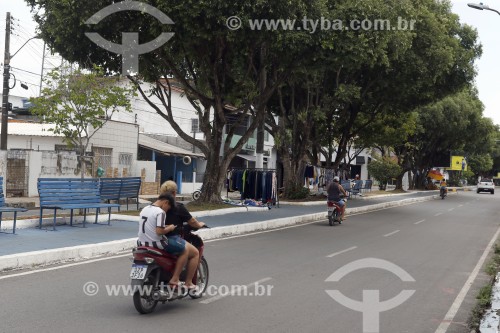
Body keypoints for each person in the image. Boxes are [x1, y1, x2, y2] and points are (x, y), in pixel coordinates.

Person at [136, 193, 190, 289]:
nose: (167, 210)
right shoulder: (160, 212)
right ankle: (175, 278)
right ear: (166, 202)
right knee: (185, 250)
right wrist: (170, 228)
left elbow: (151, 225)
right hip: (157, 244)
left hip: (141, 243)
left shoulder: (145, 209)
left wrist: (166, 226)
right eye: (168, 207)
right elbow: (159, 231)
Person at [159, 180, 205, 290]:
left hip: (154, 239)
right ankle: (187, 282)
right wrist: (199, 224)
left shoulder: (154, 206)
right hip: (170, 239)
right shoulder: (177, 207)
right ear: (174, 193)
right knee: (194, 253)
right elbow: (192, 222)